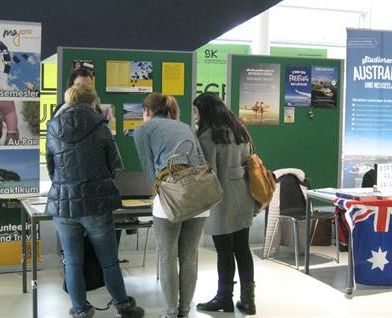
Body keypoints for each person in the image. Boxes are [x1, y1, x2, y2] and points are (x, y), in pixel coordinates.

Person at [45, 83, 144, 318]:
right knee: (108, 260)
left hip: (63, 203)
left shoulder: (53, 127)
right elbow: (114, 165)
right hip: (96, 204)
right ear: (93, 102)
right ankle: (123, 305)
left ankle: (80, 310)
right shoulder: (100, 126)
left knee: (72, 261)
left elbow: (51, 167)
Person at [133, 92, 208, 318]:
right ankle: (185, 312)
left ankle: (169, 312)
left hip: (169, 200)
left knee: (167, 256)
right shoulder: (185, 127)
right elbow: (200, 160)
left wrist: (155, 194)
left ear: (147, 111)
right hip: (200, 198)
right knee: (189, 256)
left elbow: (149, 171)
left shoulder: (143, 130)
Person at [193, 92, 258, 315]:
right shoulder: (239, 129)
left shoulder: (209, 135)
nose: (195, 116)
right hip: (244, 196)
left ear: (205, 111)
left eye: (196, 111)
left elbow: (207, 171)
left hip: (222, 200)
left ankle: (224, 298)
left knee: (224, 252)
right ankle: (248, 301)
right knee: (242, 249)